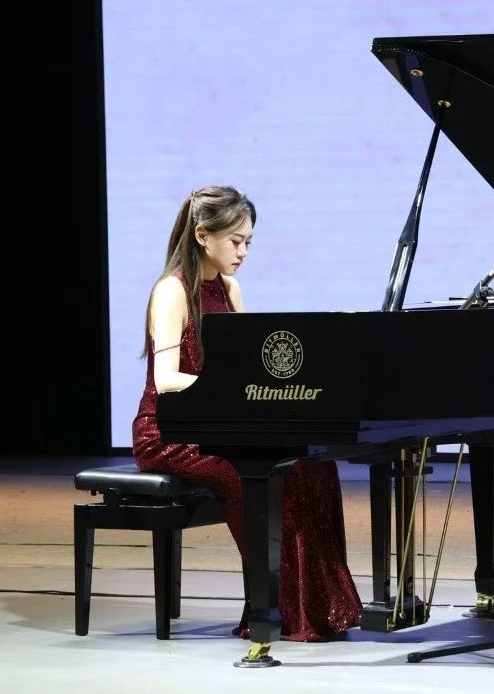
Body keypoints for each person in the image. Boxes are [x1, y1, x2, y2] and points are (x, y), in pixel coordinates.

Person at [131, 185, 361, 641]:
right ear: (203, 235)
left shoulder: (229, 288)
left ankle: (320, 607)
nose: (243, 253)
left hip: (217, 424)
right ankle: (273, 607)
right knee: (253, 474)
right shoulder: (172, 290)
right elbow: (166, 379)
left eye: (248, 243)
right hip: (170, 432)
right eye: (236, 241)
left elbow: (244, 369)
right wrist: (226, 392)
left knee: (312, 464)